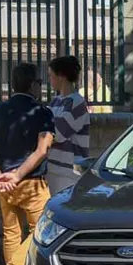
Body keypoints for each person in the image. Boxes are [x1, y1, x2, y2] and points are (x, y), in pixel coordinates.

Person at [0, 63, 54, 265]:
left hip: (4, 183)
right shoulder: (42, 112)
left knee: (11, 232)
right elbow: (43, 150)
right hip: (32, 181)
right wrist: (18, 175)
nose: (41, 87)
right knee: (43, 229)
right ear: (32, 85)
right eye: (40, 83)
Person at [45, 54, 89, 196]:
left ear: (61, 76)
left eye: (51, 76)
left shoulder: (77, 103)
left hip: (69, 171)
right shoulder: (56, 101)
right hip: (53, 167)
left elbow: (57, 133)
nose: (50, 80)